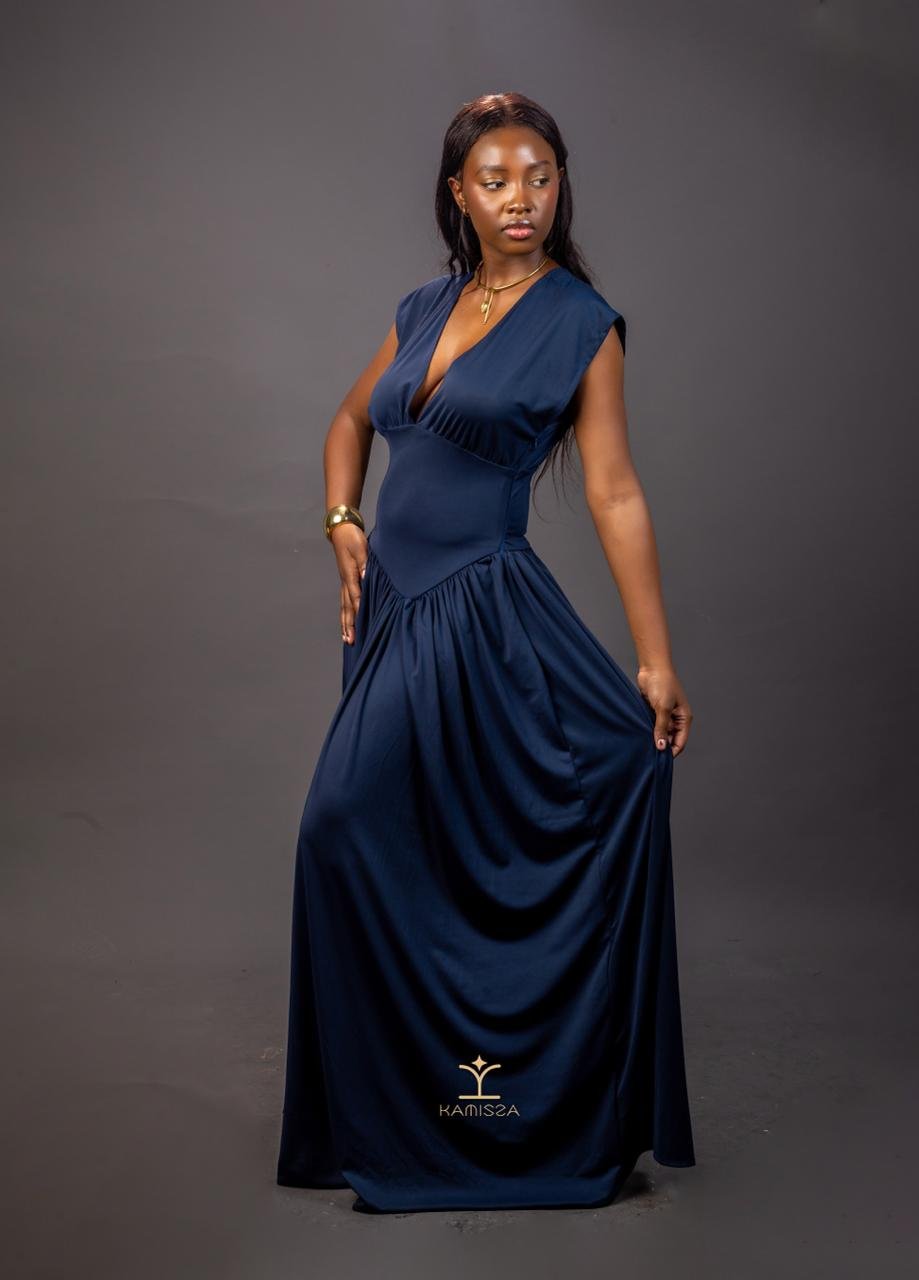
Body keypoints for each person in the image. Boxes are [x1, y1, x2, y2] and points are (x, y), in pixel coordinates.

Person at [276, 91, 696, 1214]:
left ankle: (532, 1111)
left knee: (370, 829)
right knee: (362, 837)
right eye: (498, 180)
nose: (523, 199)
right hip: (392, 613)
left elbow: (613, 490)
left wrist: (655, 659)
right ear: (458, 193)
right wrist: (342, 521)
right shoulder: (425, 305)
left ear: (561, 189)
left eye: (541, 178)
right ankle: (399, 1112)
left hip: (480, 614)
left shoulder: (582, 322)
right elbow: (350, 421)